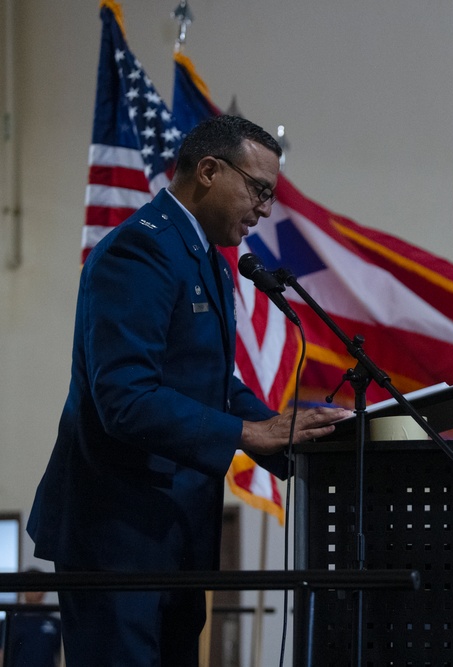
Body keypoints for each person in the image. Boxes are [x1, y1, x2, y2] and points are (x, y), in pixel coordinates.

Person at [26, 115, 352, 666]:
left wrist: (293, 437)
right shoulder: (140, 253)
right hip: (118, 540)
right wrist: (251, 433)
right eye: (259, 190)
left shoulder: (207, 262)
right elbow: (125, 399)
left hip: (175, 535)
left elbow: (211, 386)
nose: (266, 209)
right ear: (208, 170)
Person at [0, 568, 61, 667]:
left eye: (41, 585)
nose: (36, 590)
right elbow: (2, 655)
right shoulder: (10, 622)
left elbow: (61, 657)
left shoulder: (55, 623)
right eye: (32, 585)